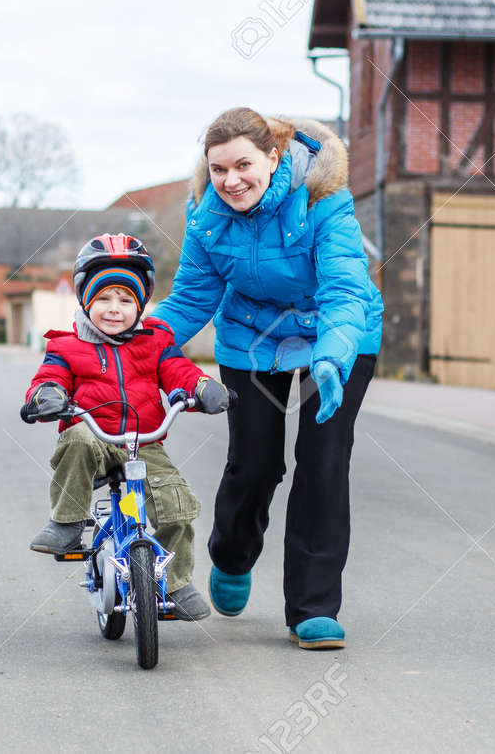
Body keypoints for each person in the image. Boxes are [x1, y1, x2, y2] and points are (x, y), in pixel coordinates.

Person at [150, 107, 383, 649]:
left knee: (323, 463)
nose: (230, 181)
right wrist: (138, 343)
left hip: (337, 334)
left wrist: (330, 355)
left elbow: (345, 292)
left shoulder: (324, 203)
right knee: (254, 464)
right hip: (252, 338)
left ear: (273, 158)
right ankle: (231, 556)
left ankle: (312, 608)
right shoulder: (207, 215)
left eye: (242, 165)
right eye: (218, 169)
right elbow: (190, 298)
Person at [21, 233, 233, 622]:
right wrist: (46, 396)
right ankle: (66, 522)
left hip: (144, 443)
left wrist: (202, 388)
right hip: (95, 441)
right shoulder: (67, 347)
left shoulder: (156, 341)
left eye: (125, 300)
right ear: (85, 300)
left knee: (177, 508)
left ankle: (176, 582)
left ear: (141, 305)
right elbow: (48, 377)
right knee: (79, 438)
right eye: (103, 298)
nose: (114, 309)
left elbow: (178, 372)